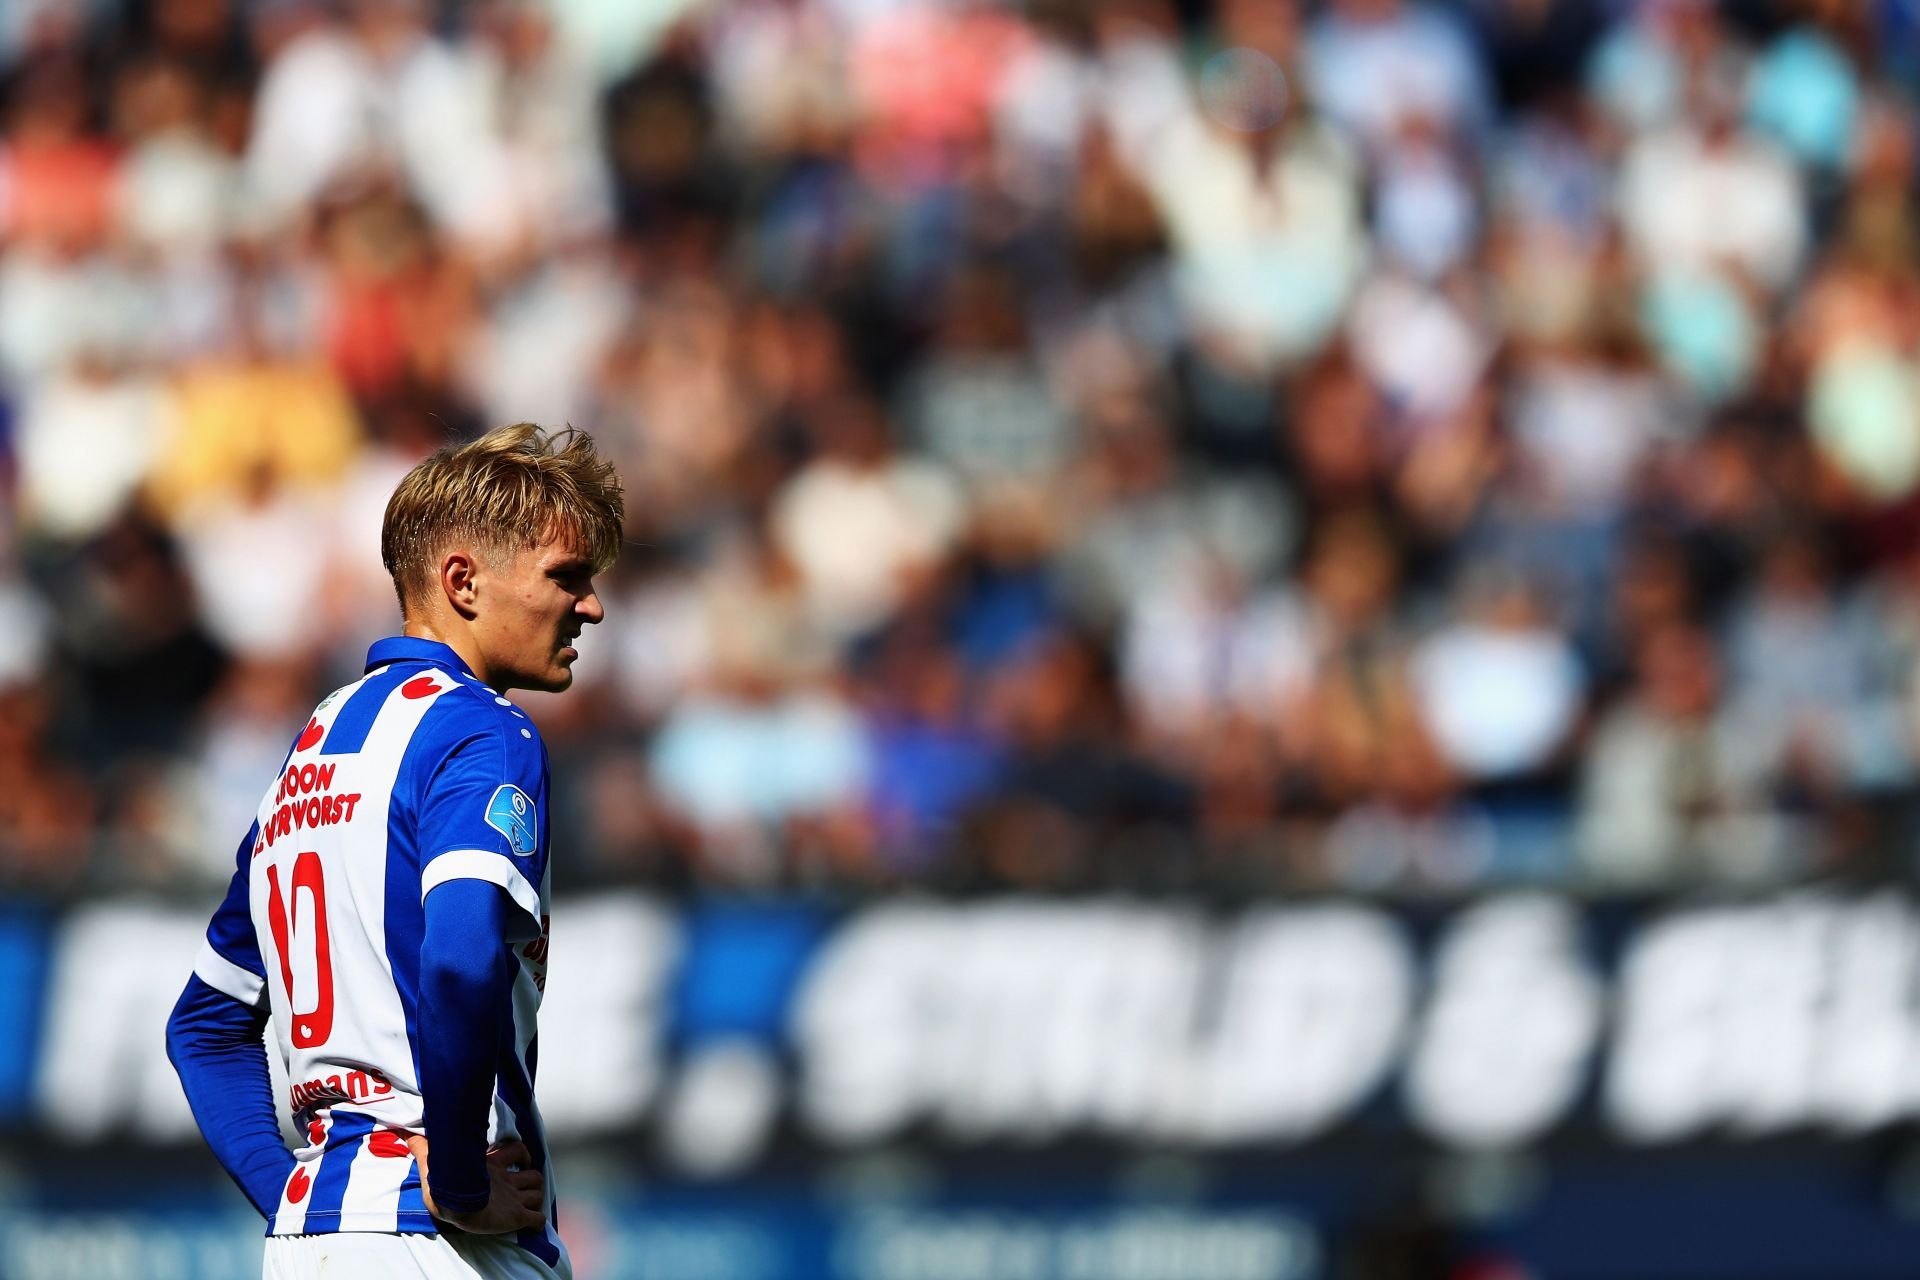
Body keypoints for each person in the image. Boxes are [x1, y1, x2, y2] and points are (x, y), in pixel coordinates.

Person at [165, 424, 623, 1280]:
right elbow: (459, 960)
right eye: (567, 577)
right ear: (462, 581)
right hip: (446, 1242)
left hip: (315, 1242)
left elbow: (204, 1026)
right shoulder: (482, 732)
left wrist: (296, 1197)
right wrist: (454, 1182)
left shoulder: (312, 749)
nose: (591, 605)